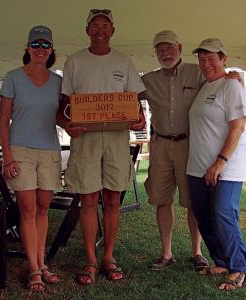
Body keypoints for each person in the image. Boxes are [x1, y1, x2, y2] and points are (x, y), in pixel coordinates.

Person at [57, 9, 146, 285]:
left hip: (117, 139)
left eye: (105, 26)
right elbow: (62, 109)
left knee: (111, 200)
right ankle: (90, 261)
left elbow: (137, 104)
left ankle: (108, 256)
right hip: (85, 139)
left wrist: (140, 119)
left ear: (112, 31)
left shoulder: (124, 61)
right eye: (94, 25)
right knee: (88, 199)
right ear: (87, 30)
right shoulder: (74, 62)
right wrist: (66, 124)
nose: (100, 30)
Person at [187, 38, 246, 290]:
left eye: (212, 58)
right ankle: (222, 260)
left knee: (223, 213)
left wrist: (220, 161)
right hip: (198, 166)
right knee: (204, 215)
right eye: (202, 59)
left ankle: (240, 267)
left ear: (224, 59)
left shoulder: (231, 86)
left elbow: (238, 126)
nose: (206, 64)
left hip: (226, 167)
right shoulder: (205, 85)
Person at [0, 25, 62, 292]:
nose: (40, 49)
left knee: (43, 209)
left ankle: (42, 263)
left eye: (44, 45)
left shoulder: (59, 81)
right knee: (27, 210)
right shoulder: (12, 77)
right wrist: (7, 158)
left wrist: (75, 126)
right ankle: (34, 269)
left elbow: (62, 116)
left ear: (51, 50)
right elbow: (3, 121)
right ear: (27, 48)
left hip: (49, 149)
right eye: (35, 44)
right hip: (21, 151)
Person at [142, 30, 208, 271]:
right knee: (162, 199)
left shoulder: (197, 72)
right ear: (155, 53)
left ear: (179, 47)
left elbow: (219, 83)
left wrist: (232, 76)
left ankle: (197, 252)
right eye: (160, 49)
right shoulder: (147, 80)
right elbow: (124, 98)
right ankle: (166, 253)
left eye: (169, 47)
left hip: (189, 145)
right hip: (159, 145)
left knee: (193, 201)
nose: (165, 53)